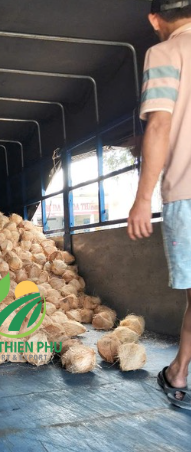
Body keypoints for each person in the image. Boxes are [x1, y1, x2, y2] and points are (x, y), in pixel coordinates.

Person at [128, 0, 191, 408]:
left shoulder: (166, 52)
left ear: (155, 19)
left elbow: (160, 124)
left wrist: (142, 197)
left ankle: (179, 373)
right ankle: (177, 371)